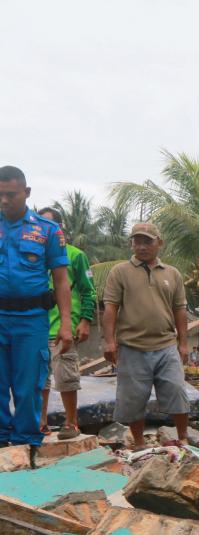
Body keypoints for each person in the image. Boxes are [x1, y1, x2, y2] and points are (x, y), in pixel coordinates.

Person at [0, 166, 74, 462]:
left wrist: (66, 323)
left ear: (27, 193)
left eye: (11, 195)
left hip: (31, 320)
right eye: (0, 195)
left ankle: (26, 443)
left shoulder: (47, 231)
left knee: (29, 385)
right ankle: (3, 441)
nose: (4, 201)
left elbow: (61, 280)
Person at [101, 222, 191, 449]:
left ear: (159, 243)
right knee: (133, 398)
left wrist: (183, 343)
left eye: (147, 241)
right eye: (136, 241)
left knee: (177, 391)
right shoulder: (119, 272)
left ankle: (184, 439)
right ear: (131, 243)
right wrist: (109, 341)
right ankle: (139, 443)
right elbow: (110, 308)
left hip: (166, 345)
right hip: (131, 346)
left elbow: (180, 309)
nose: (141, 246)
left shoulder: (173, 274)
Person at [37, 207, 96, 440]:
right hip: (36, 327)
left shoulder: (75, 255)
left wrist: (85, 321)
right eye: (40, 225)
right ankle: (41, 423)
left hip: (64, 328)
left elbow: (88, 291)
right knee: (39, 379)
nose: (44, 230)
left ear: (59, 229)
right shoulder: (32, 257)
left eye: (49, 225)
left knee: (66, 378)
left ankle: (71, 423)